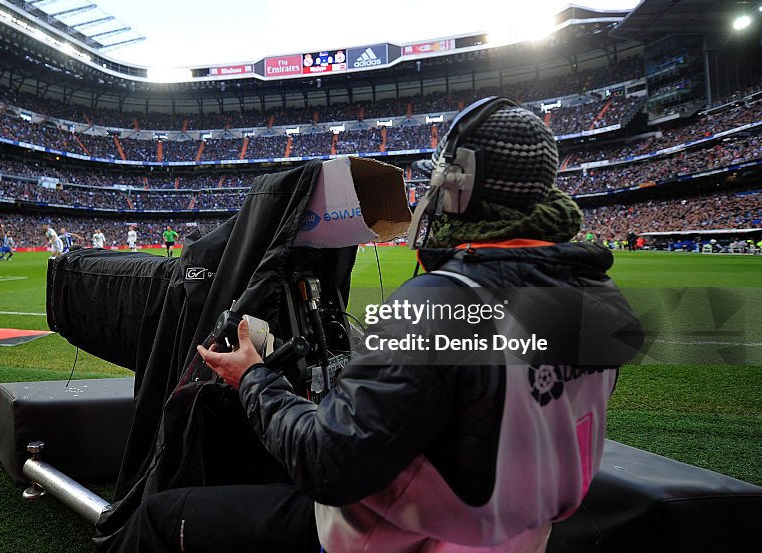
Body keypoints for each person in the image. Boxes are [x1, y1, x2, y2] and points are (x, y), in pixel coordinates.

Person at [108, 99, 641, 553]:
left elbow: (327, 464)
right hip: (516, 535)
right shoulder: (599, 302)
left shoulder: (442, 303)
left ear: (459, 185)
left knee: (162, 515)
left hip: (402, 538)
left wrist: (253, 378)